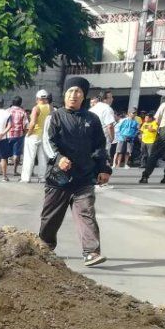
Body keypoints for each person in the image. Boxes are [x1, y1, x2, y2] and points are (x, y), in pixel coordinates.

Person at [39, 76, 111, 267]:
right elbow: (47, 141)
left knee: (86, 213)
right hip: (59, 177)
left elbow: (100, 146)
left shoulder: (92, 119)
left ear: (84, 96)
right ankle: (45, 246)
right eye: (70, 91)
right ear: (65, 94)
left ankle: (91, 252)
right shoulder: (54, 117)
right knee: (51, 216)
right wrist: (58, 158)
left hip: (84, 177)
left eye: (78, 91)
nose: (74, 95)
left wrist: (104, 168)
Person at [22, 90, 51, 183]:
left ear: (37, 98)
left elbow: (33, 123)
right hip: (45, 135)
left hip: (34, 135)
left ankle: (26, 178)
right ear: (46, 98)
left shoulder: (36, 108)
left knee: (29, 157)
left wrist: (28, 134)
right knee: (43, 158)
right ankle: (42, 177)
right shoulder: (51, 108)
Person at [89, 90, 116, 156]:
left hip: (90, 142)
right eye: (110, 97)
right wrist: (112, 138)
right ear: (104, 99)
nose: (112, 99)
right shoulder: (107, 109)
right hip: (103, 143)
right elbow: (109, 126)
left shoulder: (91, 109)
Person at [6, 96, 27, 176]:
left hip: (7, 134)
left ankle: (3, 170)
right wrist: (25, 133)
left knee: (4, 153)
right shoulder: (22, 112)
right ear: (20, 103)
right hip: (18, 135)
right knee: (16, 153)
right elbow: (25, 125)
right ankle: (14, 171)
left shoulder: (7, 111)